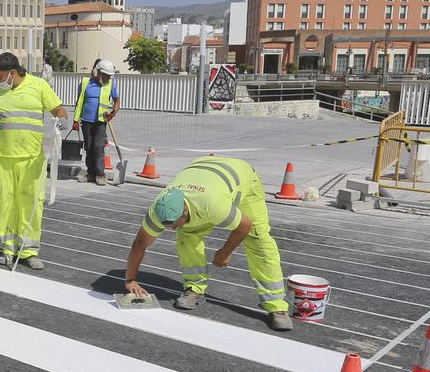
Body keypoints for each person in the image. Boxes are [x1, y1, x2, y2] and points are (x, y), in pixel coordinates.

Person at [123, 156, 294, 332]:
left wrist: (225, 252)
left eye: (174, 223)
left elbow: (244, 226)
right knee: (187, 234)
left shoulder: (212, 205)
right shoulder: (159, 208)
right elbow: (139, 245)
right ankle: (194, 288)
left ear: (185, 209)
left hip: (241, 177)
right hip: (202, 171)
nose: (171, 228)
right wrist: (131, 280)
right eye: (167, 225)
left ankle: (277, 307)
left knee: (258, 240)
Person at [0, 51, 69, 270]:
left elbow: (58, 109)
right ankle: (8, 249)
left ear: (12, 73)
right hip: (3, 158)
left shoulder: (39, 86)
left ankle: (29, 251)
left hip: (32, 160)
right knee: (5, 204)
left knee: (31, 204)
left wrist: (61, 121)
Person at [72, 59, 121, 186]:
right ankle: (91, 173)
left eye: (109, 76)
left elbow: (116, 100)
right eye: (105, 75)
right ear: (97, 72)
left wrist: (113, 113)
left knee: (98, 147)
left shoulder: (110, 85)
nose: (107, 78)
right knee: (89, 148)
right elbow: (79, 102)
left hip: (101, 122)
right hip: (86, 121)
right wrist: (76, 120)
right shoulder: (85, 83)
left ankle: (100, 174)